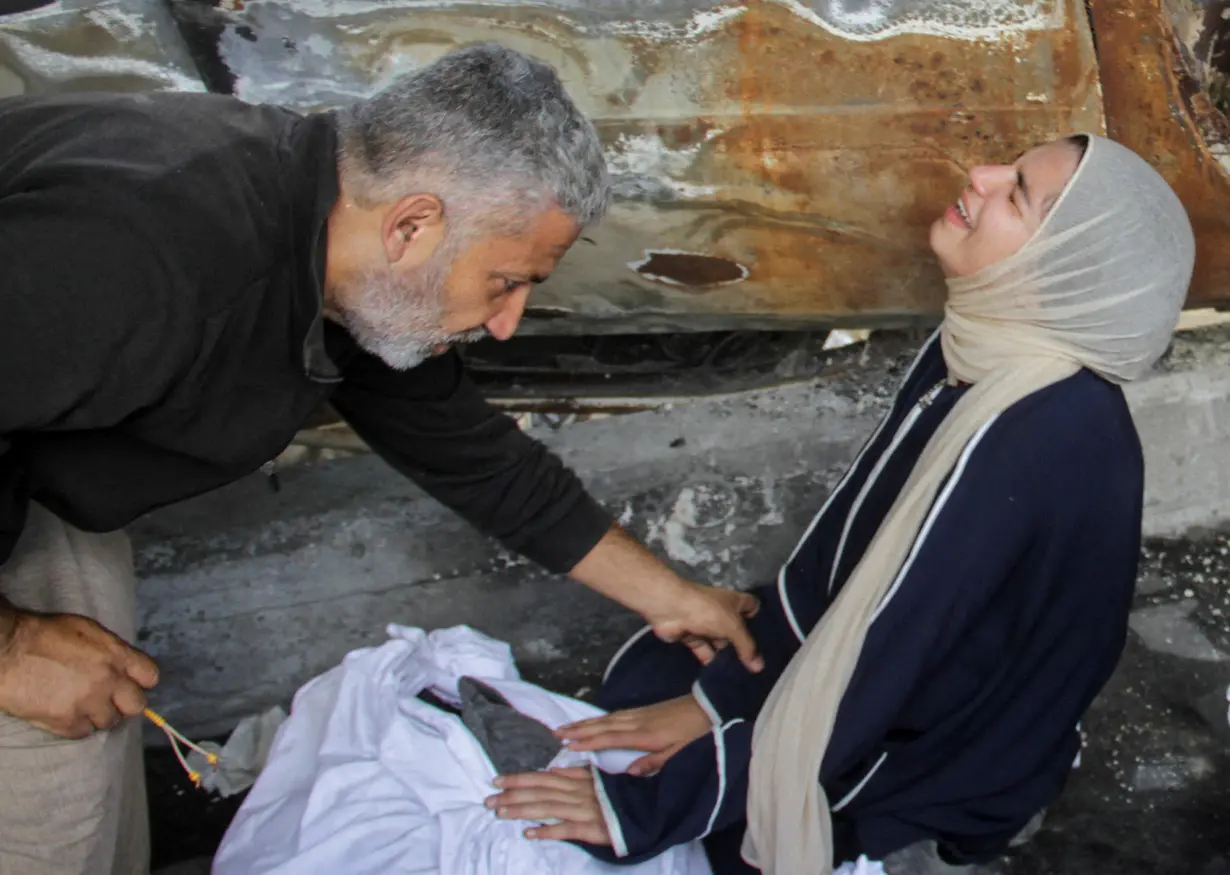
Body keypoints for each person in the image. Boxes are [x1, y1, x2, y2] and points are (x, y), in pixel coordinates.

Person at [0, 44, 761, 875]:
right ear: (413, 225)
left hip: (36, 476)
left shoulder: (335, 243)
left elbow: (469, 453)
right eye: (506, 280)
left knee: (95, 749)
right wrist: (11, 649)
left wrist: (673, 596)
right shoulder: (137, 259)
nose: (507, 321)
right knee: (47, 803)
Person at [487, 133, 1196, 874]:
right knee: (660, 688)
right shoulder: (985, 349)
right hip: (911, 672)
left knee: (704, 824)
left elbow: (885, 661)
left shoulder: (1030, 434)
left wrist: (651, 806)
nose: (980, 174)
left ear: (1061, 272)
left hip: (944, 737)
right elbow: (848, 556)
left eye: (1016, 193)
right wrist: (718, 700)